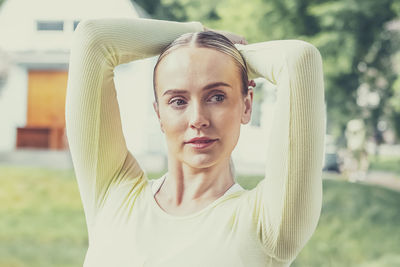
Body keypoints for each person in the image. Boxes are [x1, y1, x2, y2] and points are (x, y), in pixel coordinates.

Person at [66, 17, 326, 267]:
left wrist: (220, 50)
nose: (198, 119)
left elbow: (297, 61)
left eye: (216, 97)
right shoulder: (114, 193)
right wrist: (200, 34)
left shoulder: (268, 223)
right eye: (178, 101)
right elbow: (93, 39)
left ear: (246, 105)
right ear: (159, 114)